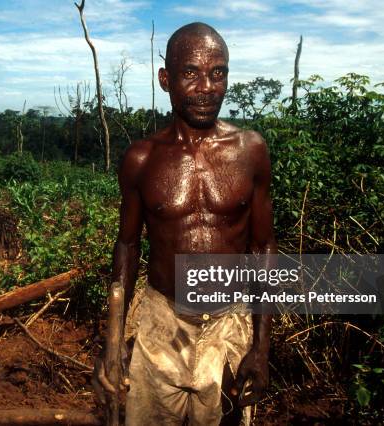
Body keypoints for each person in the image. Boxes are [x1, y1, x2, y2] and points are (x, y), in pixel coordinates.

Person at [94, 22, 276, 425]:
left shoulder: (251, 151)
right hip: (162, 325)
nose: (206, 87)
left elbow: (263, 247)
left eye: (218, 73)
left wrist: (261, 346)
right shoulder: (142, 159)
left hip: (229, 326)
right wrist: (114, 336)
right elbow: (127, 245)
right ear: (166, 79)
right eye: (191, 73)